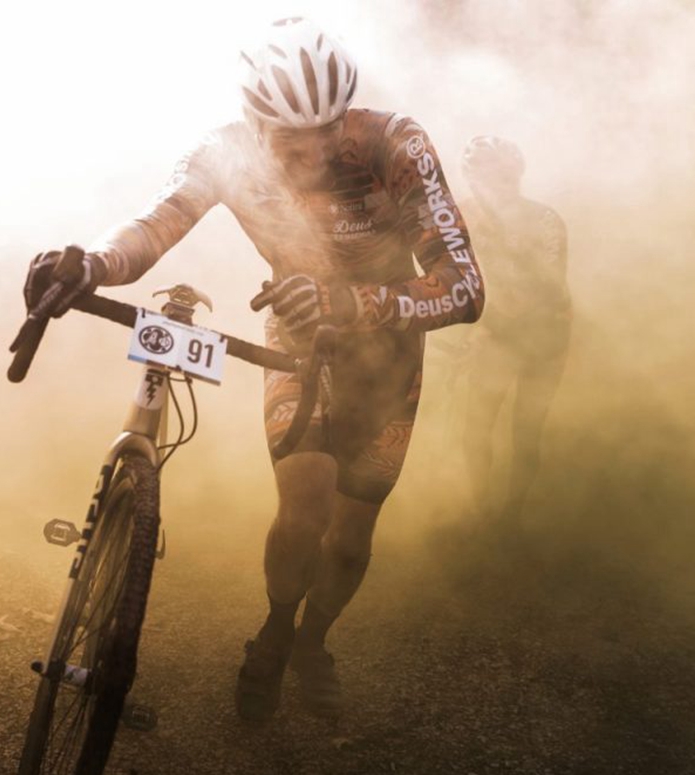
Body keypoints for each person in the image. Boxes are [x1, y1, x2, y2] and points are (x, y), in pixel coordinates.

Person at [24, 17, 484, 721]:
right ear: (255, 123)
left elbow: (464, 286)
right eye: (291, 140)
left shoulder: (395, 143)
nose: (315, 152)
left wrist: (350, 302)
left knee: (352, 541)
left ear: (346, 114)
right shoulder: (228, 152)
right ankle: (274, 631)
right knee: (303, 507)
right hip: (298, 339)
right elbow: (156, 222)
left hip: (388, 348)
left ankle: (312, 643)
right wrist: (90, 261)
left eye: (328, 132)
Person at [451, 135, 571, 532]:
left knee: (526, 428)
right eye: (485, 175)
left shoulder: (545, 219)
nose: (496, 184)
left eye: (504, 175)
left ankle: (510, 515)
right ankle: (481, 509)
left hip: (543, 334)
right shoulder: (461, 216)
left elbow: (552, 285)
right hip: (497, 333)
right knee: (477, 426)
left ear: (516, 175)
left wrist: (493, 324)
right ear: (471, 177)